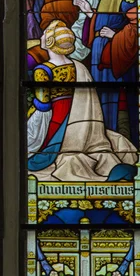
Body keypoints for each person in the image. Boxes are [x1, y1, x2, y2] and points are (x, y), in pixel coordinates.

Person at [27, 20, 137, 182]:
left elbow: (43, 106)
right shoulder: (79, 66)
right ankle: (109, 164)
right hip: (81, 123)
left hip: (55, 124)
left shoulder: (43, 70)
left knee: (30, 156)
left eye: (44, 34)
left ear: (50, 42)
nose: (41, 36)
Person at [74, 0, 137, 142]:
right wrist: (90, 13)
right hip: (102, 54)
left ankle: (119, 141)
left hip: (113, 55)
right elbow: (106, 22)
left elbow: (136, 24)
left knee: (114, 100)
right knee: (102, 99)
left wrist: (115, 36)